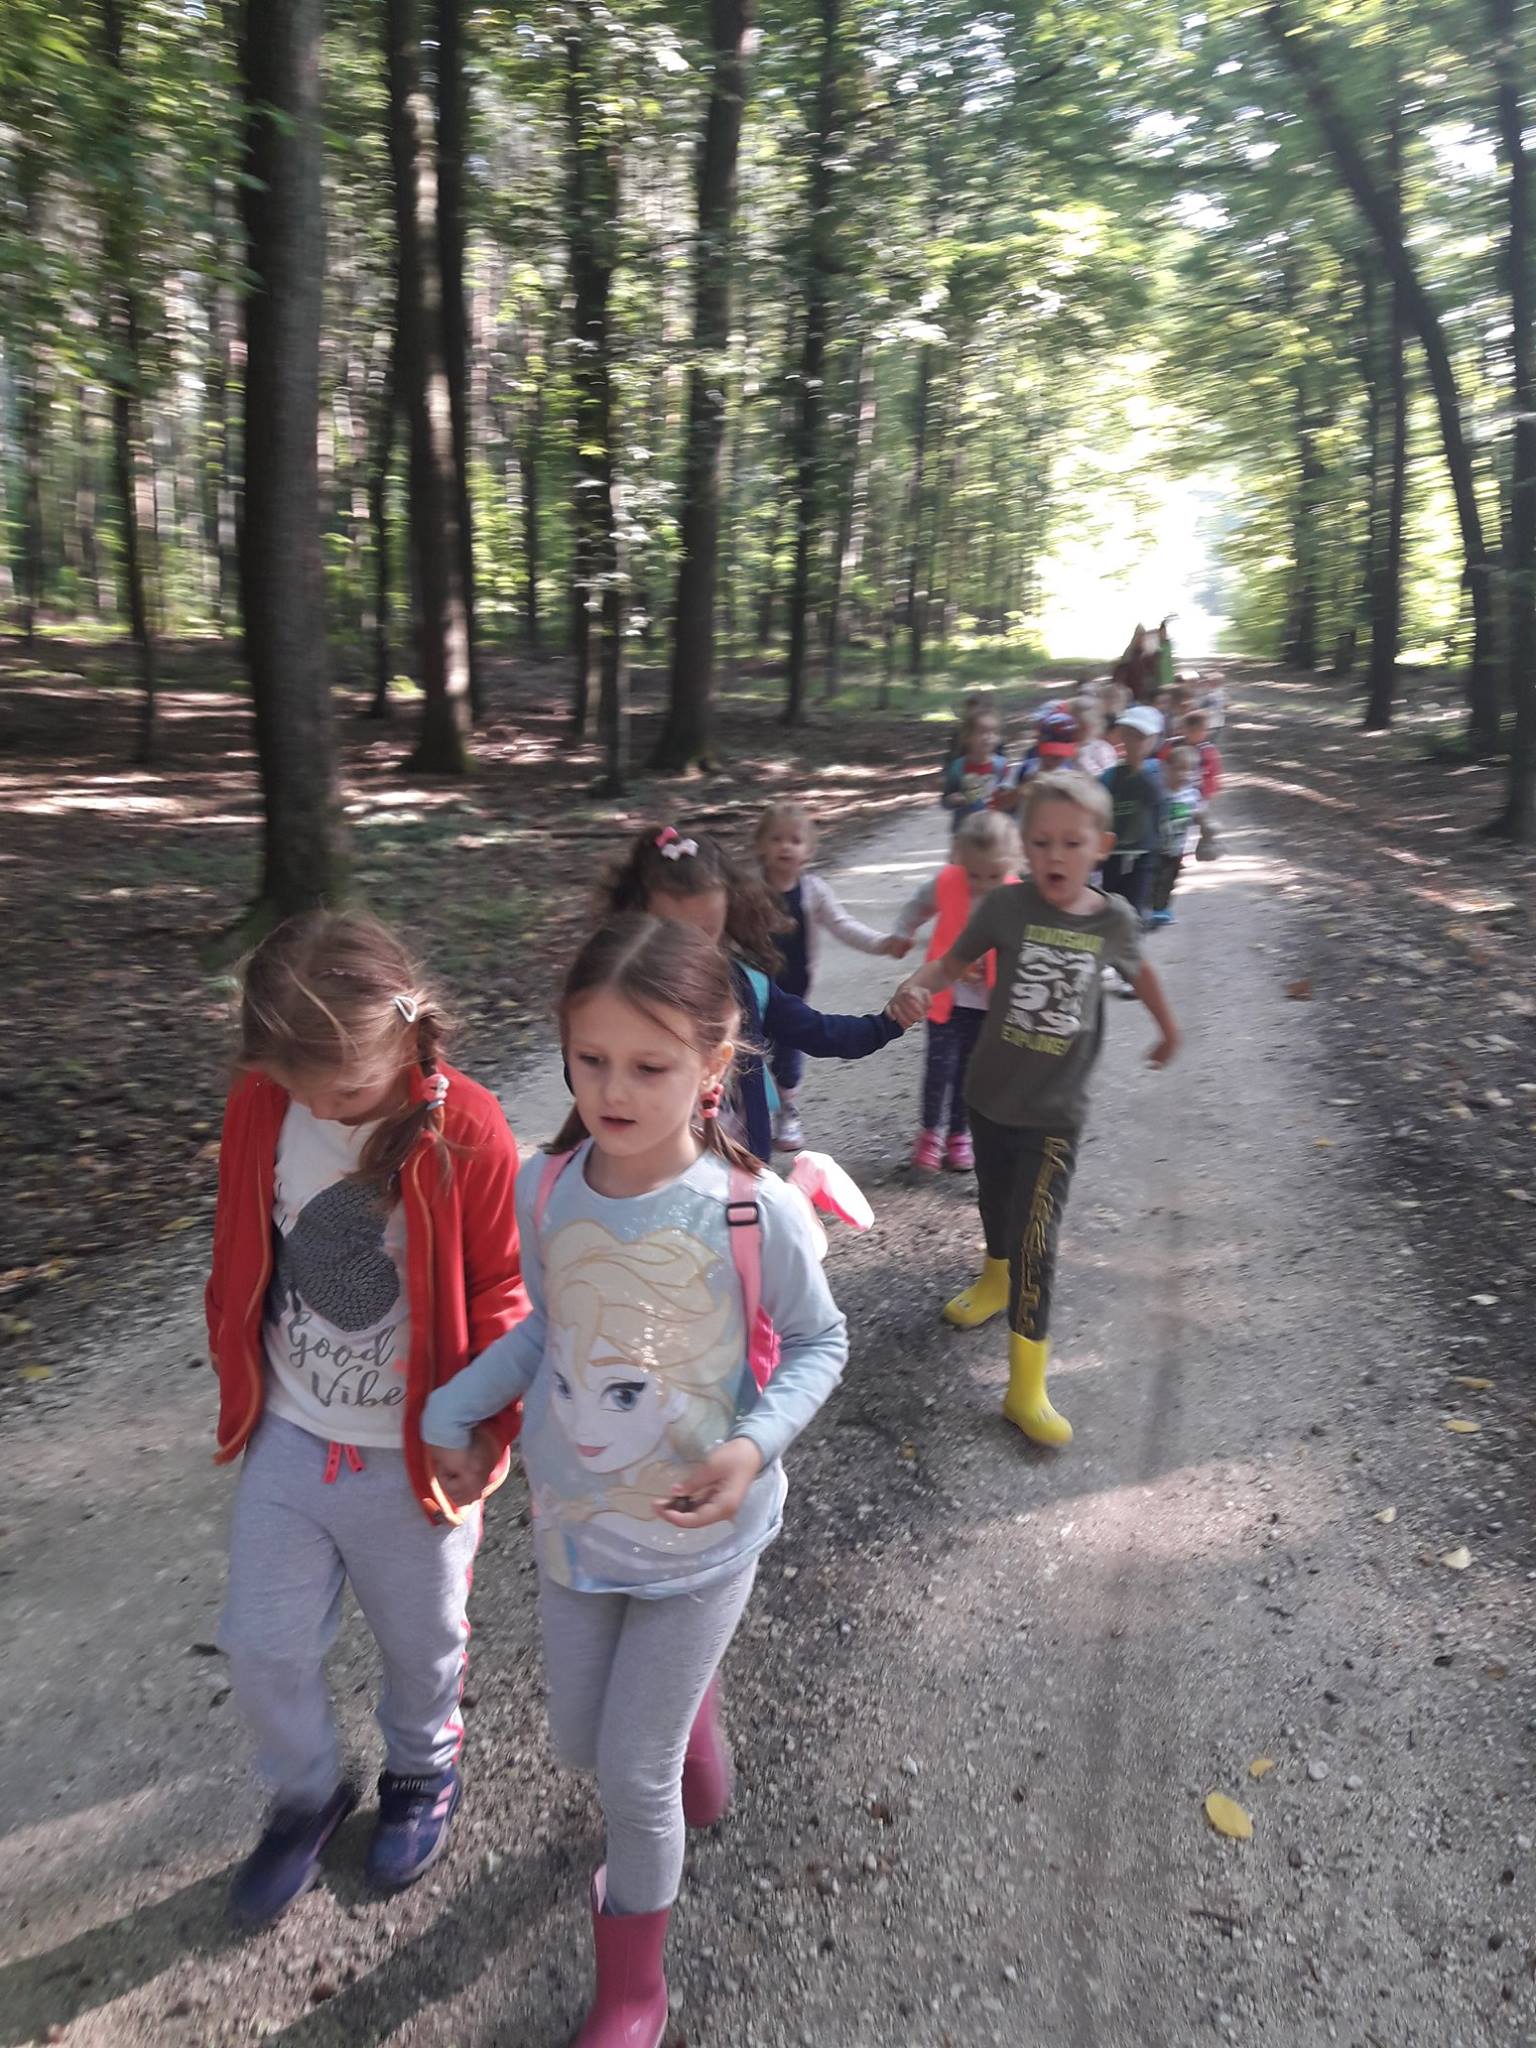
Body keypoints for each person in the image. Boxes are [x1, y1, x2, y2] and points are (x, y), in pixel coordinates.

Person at [421, 916, 849, 2048]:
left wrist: (752, 1446)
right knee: (580, 1739)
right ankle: (689, 1713)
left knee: (629, 1773)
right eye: (590, 1058)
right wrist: (454, 1406)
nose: (612, 1089)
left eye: (648, 1065)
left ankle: (630, 1991)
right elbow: (548, 1333)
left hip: (705, 1544)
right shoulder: (547, 1187)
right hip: (577, 1532)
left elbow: (821, 1342)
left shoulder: (753, 1210)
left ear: (713, 1066)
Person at [206, 912, 527, 1927]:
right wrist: (232, 1355)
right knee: (261, 1643)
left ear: (403, 1033)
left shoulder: (467, 1127)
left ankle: (423, 1771)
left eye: (338, 1092)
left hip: (413, 1456)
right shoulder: (265, 1102)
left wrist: (489, 1422)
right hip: (292, 1432)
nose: (313, 1106)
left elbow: (504, 1286)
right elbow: (241, 1238)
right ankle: (306, 1792)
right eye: (293, 1086)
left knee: (422, 1641)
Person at [891, 773, 1180, 1446]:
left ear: (1100, 846)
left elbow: (1140, 971)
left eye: (1072, 843)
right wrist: (915, 984)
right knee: (995, 1204)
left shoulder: (1113, 919)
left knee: (1036, 1241)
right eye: (1042, 841)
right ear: (1024, 845)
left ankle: (1025, 1389)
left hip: (1055, 1113)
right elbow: (952, 962)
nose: (1055, 855)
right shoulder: (1006, 906)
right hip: (990, 1094)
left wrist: (1168, 1029)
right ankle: (994, 1282)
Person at [603, 825, 923, 1165]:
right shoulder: (619, 992)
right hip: (649, 1164)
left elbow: (819, 1032)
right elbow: (585, 1067)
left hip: (737, 1163)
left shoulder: (746, 986)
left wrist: (888, 1022)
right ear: (638, 918)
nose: (690, 947)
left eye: (707, 931)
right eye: (672, 932)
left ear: (729, 914)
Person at [755, 800, 906, 1153]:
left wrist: (882, 943)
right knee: (748, 1053)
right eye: (776, 839)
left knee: (789, 1056)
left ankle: (787, 1110)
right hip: (752, 989)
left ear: (808, 850)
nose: (785, 846)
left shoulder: (813, 891)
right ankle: (750, 1114)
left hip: (792, 992)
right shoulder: (748, 889)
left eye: (795, 840)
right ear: (761, 845)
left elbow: (842, 925)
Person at [891, 810, 1021, 1173]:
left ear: (1013, 863)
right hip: (945, 1000)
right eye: (974, 874)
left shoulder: (1017, 897)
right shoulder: (948, 882)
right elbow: (918, 905)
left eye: (993, 875)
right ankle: (930, 1134)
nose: (983, 884)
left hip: (988, 1005)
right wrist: (903, 932)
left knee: (970, 1073)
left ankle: (959, 1136)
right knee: (939, 1069)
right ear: (960, 858)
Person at [1100, 707, 1165, 931]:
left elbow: (1159, 802)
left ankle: (1131, 943)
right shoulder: (1110, 775)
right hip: (1114, 851)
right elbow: (1097, 804)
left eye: (1142, 737)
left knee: (1135, 905)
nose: (1135, 743)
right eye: (1130, 735)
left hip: (1144, 852)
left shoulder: (1157, 772)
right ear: (1122, 736)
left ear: (1154, 740)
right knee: (1111, 902)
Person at [1151, 743, 1202, 927]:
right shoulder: (1159, 792)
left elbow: (1198, 816)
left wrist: (1205, 835)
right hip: (1155, 846)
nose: (1184, 774)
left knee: (1169, 879)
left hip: (1177, 847)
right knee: (1151, 878)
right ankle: (1149, 908)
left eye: (1190, 770)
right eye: (1179, 769)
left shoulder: (1192, 795)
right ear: (1167, 768)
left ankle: (1161, 909)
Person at [941, 705, 1009, 830]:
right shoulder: (958, 767)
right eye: (983, 732)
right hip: (965, 830)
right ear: (968, 737)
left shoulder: (1001, 765)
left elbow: (1009, 799)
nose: (989, 737)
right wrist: (953, 799)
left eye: (994, 732)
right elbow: (946, 801)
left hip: (994, 830)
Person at [1073, 697, 1118, 779]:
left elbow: (1107, 772)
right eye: (1077, 727)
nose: (1080, 732)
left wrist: (1081, 759)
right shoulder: (1069, 746)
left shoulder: (1101, 748)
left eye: (1084, 728)